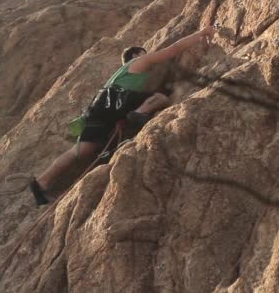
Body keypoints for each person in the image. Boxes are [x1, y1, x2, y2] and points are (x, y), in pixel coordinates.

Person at [30, 25, 216, 205]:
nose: (148, 56)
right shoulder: (138, 62)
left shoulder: (120, 74)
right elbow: (172, 50)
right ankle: (139, 112)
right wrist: (202, 33)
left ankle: (42, 182)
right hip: (116, 104)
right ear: (135, 55)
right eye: (144, 52)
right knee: (160, 97)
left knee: (82, 150)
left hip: (100, 108)